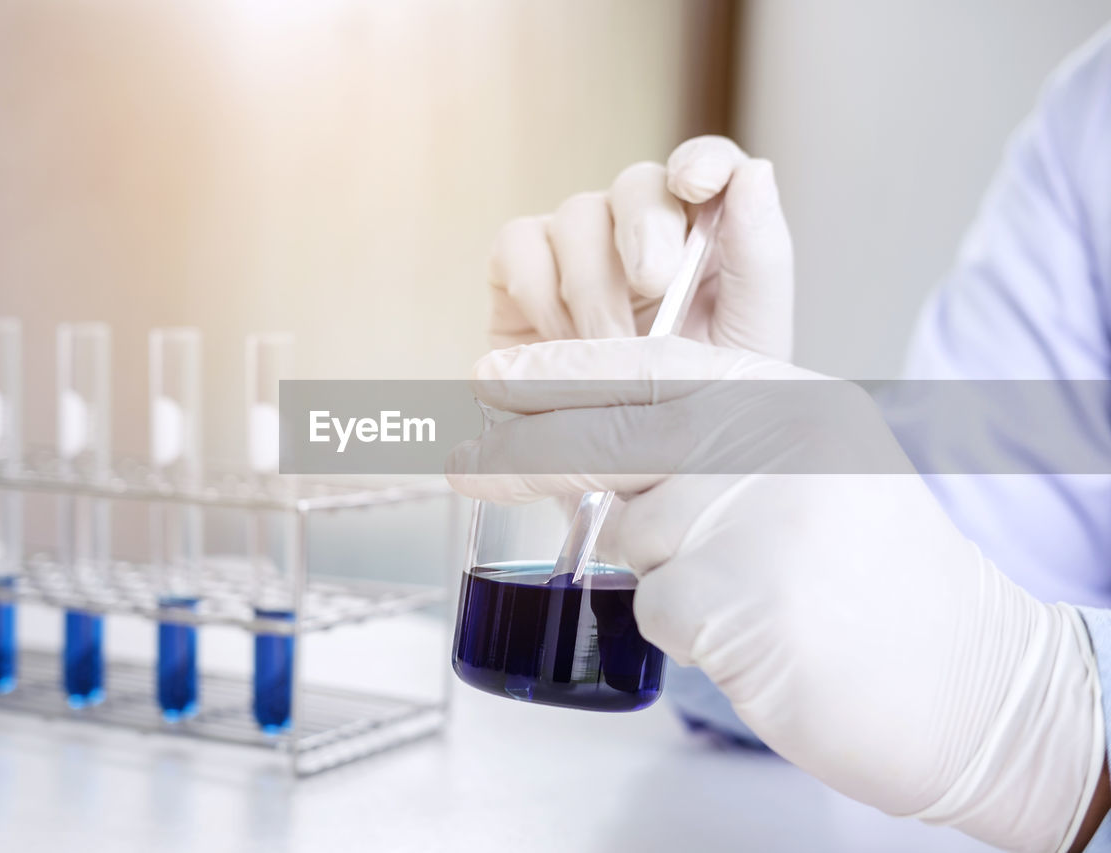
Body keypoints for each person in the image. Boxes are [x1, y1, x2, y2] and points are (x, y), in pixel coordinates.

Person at [446, 23, 1111, 853]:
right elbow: (916, 632)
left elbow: (998, 685)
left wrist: (1061, 736)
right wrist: (691, 485)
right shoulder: (1095, 111)